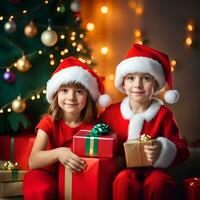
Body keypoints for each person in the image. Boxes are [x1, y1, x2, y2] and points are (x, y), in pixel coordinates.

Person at [99, 43, 190, 200]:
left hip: (155, 171)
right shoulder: (111, 113)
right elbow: (98, 137)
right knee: (123, 180)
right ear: (123, 83)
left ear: (155, 84)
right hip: (122, 170)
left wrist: (163, 149)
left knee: (159, 182)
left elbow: (182, 150)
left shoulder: (164, 114)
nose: (137, 85)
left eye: (146, 78)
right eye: (131, 78)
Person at [23, 56, 111, 200]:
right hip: (46, 174)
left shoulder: (93, 127)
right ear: (56, 94)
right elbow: (33, 161)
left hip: (77, 177)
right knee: (37, 188)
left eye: (79, 91)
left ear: (88, 96)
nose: (71, 97)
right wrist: (59, 153)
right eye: (64, 90)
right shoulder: (49, 122)